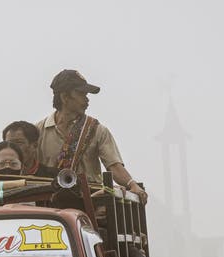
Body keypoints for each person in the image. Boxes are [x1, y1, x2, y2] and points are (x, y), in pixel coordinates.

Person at [36, 69, 148, 204]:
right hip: (50, 204)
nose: (87, 99)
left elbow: (114, 166)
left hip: (90, 203)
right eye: (81, 94)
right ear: (65, 97)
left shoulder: (96, 130)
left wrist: (132, 184)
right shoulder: (39, 130)